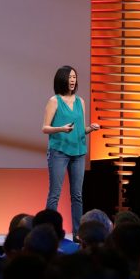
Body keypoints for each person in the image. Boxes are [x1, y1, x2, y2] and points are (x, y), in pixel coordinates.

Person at [41, 65, 99, 236]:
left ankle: (77, 234)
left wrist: (90, 128)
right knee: (55, 194)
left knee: (77, 195)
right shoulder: (54, 101)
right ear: (62, 80)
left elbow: (80, 129)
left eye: (74, 77)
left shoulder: (81, 101)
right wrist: (61, 128)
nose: (72, 80)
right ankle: (49, 232)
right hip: (59, 151)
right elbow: (44, 128)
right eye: (69, 77)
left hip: (79, 152)